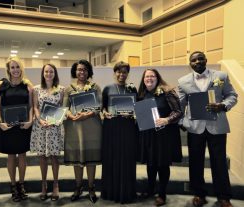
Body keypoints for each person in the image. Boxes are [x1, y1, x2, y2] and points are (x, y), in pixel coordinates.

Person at [178, 51, 237, 207]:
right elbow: (180, 105)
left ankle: (224, 197)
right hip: (194, 127)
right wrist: (181, 121)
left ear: (206, 60)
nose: (197, 61)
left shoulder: (221, 76)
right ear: (190, 63)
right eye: (193, 60)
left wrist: (223, 105)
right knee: (195, 162)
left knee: (219, 163)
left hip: (216, 126)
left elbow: (232, 95)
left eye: (200, 58)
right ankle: (199, 194)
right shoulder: (183, 81)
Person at [137, 68, 182, 206]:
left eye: (152, 76)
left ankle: (162, 194)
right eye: (146, 77)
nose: (149, 79)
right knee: (151, 164)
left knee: (162, 165)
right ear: (143, 80)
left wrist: (167, 120)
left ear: (157, 78)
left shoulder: (167, 92)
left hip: (164, 135)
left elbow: (178, 111)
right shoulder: (142, 94)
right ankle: (150, 189)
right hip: (149, 134)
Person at [0, 56, 33, 202]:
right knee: (11, 156)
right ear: (8, 69)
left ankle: (21, 185)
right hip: (7, 126)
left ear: (21, 68)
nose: (15, 70)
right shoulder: (1, 84)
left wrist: (31, 121)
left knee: (22, 155)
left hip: (23, 125)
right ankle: (13, 186)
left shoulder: (27, 84)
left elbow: (30, 106)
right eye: (12, 67)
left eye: (18, 67)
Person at [63, 59, 102, 203]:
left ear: (88, 72)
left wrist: (88, 114)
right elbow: (64, 108)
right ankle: (78, 187)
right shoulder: (68, 89)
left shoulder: (95, 87)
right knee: (77, 160)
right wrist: (71, 115)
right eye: (79, 69)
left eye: (84, 69)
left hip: (92, 127)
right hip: (74, 128)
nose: (82, 72)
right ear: (75, 71)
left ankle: (91, 188)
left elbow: (99, 106)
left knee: (91, 159)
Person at [100, 61, 137, 204]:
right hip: (111, 127)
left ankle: (126, 192)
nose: (121, 74)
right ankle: (111, 191)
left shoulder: (132, 89)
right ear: (115, 73)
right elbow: (102, 108)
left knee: (127, 158)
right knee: (112, 158)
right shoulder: (107, 88)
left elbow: (137, 108)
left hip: (127, 128)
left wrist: (133, 113)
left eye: (124, 72)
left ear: (128, 73)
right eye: (119, 72)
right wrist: (105, 113)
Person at [30, 63, 65, 201]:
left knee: (54, 157)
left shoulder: (61, 89)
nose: (49, 74)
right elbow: (35, 107)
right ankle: (44, 185)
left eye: (51, 71)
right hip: (41, 126)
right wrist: (40, 120)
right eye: (46, 71)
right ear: (43, 73)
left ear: (55, 73)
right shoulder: (36, 89)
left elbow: (62, 108)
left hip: (54, 126)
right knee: (42, 157)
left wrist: (54, 121)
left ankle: (56, 185)